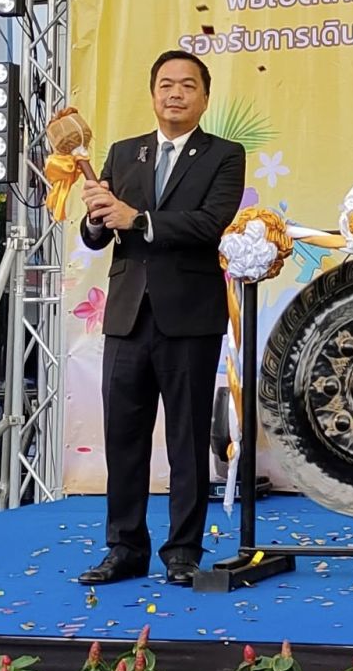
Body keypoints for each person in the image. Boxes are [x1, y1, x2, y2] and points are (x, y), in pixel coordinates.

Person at [76, 49, 246, 587]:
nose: (175, 93)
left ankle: (182, 552)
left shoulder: (224, 155)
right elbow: (96, 235)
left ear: (204, 98)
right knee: (123, 437)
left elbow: (209, 224)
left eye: (187, 85)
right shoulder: (124, 153)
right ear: (152, 94)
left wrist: (139, 219)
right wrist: (97, 217)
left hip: (189, 316)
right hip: (127, 316)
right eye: (166, 84)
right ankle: (124, 548)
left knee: (187, 441)